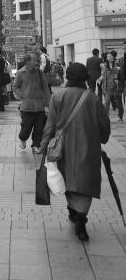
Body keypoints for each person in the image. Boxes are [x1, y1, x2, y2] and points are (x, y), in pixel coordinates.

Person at [40, 63, 110, 241]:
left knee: (68, 179)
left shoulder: (58, 96)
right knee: (85, 181)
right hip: (89, 147)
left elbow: (50, 124)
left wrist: (44, 144)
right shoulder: (92, 98)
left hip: (64, 148)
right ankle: (80, 216)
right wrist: (102, 138)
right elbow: (104, 125)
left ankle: (74, 211)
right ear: (85, 78)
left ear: (68, 78)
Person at [12, 51, 51, 153]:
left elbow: (46, 89)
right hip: (27, 106)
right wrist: (22, 95)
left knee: (39, 128)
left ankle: (36, 145)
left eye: (37, 60)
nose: (37, 62)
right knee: (26, 127)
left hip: (39, 106)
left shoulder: (40, 73)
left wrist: (48, 104)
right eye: (35, 60)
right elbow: (15, 87)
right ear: (27, 61)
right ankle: (23, 138)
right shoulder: (21, 73)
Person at [99, 50, 121, 119]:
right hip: (107, 86)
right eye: (107, 56)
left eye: (110, 56)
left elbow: (120, 75)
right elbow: (102, 75)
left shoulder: (118, 65)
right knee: (107, 101)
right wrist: (99, 79)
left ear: (114, 57)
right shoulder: (104, 66)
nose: (108, 57)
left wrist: (119, 71)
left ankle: (120, 115)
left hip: (116, 86)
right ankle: (106, 117)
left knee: (118, 101)